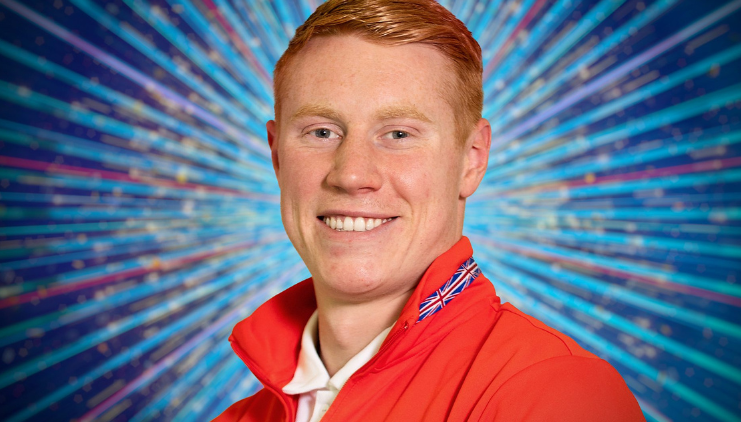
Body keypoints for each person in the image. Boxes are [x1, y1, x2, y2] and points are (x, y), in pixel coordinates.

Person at [213, 0, 645, 421]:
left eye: (399, 133)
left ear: (472, 159)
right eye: (321, 131)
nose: (351, 174)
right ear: (276, 156)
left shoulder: (554, 393)